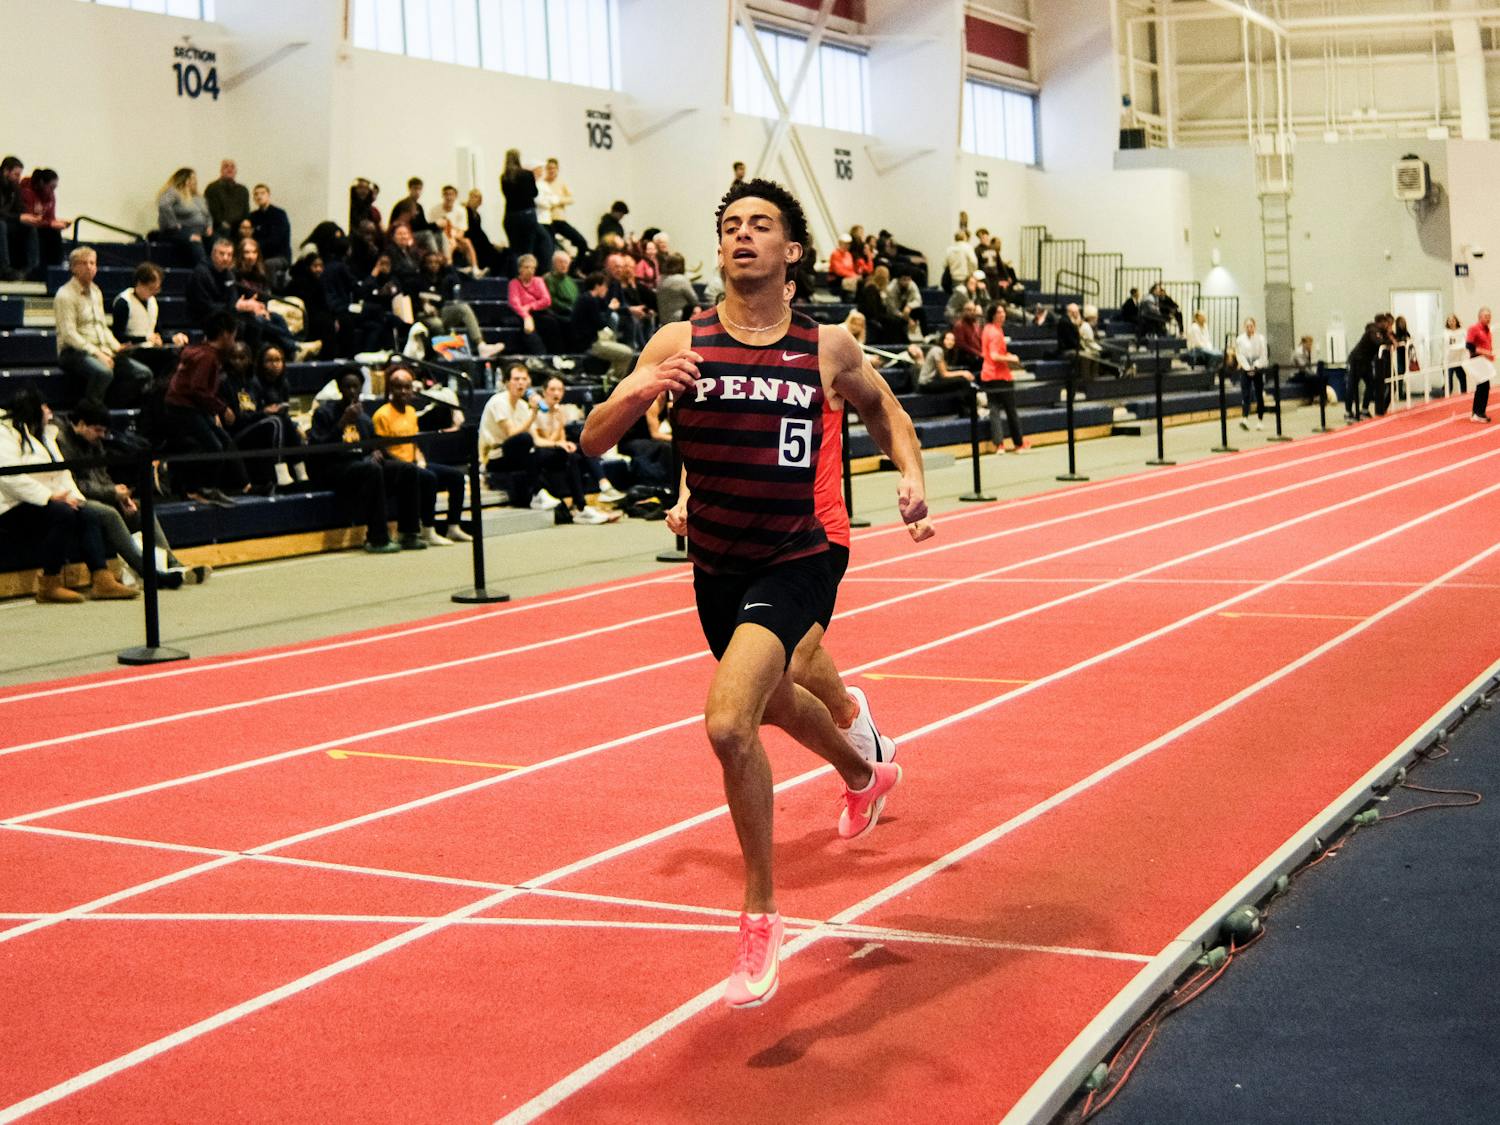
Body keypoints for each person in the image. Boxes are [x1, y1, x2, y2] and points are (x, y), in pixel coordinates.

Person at [579, 177, 934, 1009]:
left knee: (729, 719)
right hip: (717, 564)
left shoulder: (827, 344)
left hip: (798, 553)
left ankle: (761, 916)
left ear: (792, 252)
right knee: (774, 701)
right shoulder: (678, 334)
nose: (743, 235)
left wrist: (910, 477)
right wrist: (638, 389)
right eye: (731, 225)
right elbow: (594, 440)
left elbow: (882, 411)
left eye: (761, 225)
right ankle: (865, 772)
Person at [0, 390, 138, 603]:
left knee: (87, 512)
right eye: (44, 407)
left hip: (46, 500)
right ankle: (49, 584)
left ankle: (101, 579)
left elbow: (63, 472)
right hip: (12, 505)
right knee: (63, 513)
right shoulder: (5, 433)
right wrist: (50, 497)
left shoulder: (47, 434)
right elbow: (9, 478)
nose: (49, 411)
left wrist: (75, 498)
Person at [56, 400, 209, 589]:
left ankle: (172, 563)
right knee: (109, 514)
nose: (102, 436)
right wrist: (112, 493)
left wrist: (121, 497)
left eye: (104, 431)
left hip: (99, 495)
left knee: (141, 507)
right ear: (79, 424)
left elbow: (102, 475)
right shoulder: (62, 442)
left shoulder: (93, 442)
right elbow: (74, 483)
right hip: (74, 498)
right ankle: (149, 572)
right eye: (97, 430)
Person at [308, 371, 425, 551]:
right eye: (348, 386)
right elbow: (318, 448)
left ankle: (408, 533)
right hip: (333, 467)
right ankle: (377, 538)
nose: (352, 391)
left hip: (360, 464)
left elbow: (374, 445)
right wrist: (343, 422)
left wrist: (375, 451)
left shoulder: (364, 417)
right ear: (340, 388)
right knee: (371, 469)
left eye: (356, 386)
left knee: (407, 469)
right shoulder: (324, 413)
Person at [373, 367, 470, 544]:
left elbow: (414, 442)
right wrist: (408, 465)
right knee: (429, 478)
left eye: (407, 387)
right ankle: (428, 529)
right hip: (397, 468)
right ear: (391, 389)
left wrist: (420, 459)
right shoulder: (382, 415)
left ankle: (453, 526)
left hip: (414, 462)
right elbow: (382, 449)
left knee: (456, 477)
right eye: (398, 387)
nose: (403, 391)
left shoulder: (411, 412)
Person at [54, 246, 153, 408]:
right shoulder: (65, 295)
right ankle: (91, 415)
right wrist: (98, 353)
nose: (89, 267)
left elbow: (101, 327)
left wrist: (116, 346)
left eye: (93, 263)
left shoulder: (96, 291)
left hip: (100, 348)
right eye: (84, 263)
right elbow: (69, 335)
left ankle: (110, 408)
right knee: (103, 372)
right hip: (73, 352)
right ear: (73, 268)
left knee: (143, 374)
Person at [163, 310, 245, 506]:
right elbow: (197, 389)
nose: (234, 339)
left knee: (223, 440)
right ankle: (197, 490)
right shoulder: (207, 357)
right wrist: (221, 409)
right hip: (183, 408)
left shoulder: (198, 350)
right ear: (225, 334)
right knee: (214, 447)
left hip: (186, 407)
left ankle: (211, 488)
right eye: (233, 335)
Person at [530, 375, 618, 525]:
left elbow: (560, 437)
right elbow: (538, 441)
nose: (556, 393)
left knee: (582, 450)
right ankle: (582, 506)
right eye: (552, 389)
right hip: (540, 452)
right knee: (572, 454)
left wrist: (560, 427)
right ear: (544, 392)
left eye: (560, 389)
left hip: (556, 450)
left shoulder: (558, 411)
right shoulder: (535, 411)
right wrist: (559, 443)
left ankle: (604, 486)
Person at [478, 364, 554, 509]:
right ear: (506, 382)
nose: (520, 383)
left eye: (524, 379)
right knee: (524, 440)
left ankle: (577, 506)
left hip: (516, 454)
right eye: (516, 379)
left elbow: (535, 439)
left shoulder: (523, 405)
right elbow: (512, 434)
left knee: (559, 454)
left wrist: (559, 445)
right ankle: (538, 493)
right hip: (494, 456)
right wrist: (533, 413)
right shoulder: (498, 401)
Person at [406, 250, 505, 359]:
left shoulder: (442, 279)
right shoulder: (416, 280)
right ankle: (446, 354)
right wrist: (424, 307)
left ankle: (481, 346)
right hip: (422, 316)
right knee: (437, 324)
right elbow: (411, 303)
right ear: (424, 264)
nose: (433, 265)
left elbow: (442, 299)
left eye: (436, 262)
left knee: (462, 307)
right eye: (430, 262)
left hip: (439, 312)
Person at [571, 271, 634, 384]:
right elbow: (601, 323)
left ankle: (611, 378)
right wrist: (610, 308)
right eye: (604, 286)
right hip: (589, 343)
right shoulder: (589, 300)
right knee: (627, 353)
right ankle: (614, 382)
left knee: (613, 338)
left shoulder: (589, 298)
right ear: (597, 286)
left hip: (590, 339)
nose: (606, 289)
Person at [981, 302, 1027, 453]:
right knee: (1010, 410)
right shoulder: (994, 332)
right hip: (1000, 376)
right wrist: (1012, 358)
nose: (1003, 315)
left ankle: (999, 444)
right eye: (1000, 312)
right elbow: (994, 355)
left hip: (988, 375)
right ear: (993, 314)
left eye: (1004, 312)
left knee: (994, 410)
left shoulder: (987, 329)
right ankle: (1018, 443)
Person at [501, 150, 551, 268]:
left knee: (515, 249)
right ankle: (535, 273)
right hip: (526, 214)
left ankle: (515, 277)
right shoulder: (526, 174)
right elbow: (534, 193)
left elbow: (505, 194)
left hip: (510, 215)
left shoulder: (504, 177)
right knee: (531, 246)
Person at [508, 253, 565, 355]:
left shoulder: (538, 281)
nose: (530, 270)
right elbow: (514, 303)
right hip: (522, 315)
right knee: (527, 328)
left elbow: (547, 300)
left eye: (533, 268)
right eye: (527, 267)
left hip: (538, 312)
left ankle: (556, 354)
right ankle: (540, 354)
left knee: (552, 322)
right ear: (520, 269)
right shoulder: (514, 283)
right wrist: (526, 316)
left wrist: (530, 306)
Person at [537, 157, 590, 262]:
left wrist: (558, 200)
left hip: (559, 219)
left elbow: (571, 199)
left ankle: (576, 267)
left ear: (557, 169)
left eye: (554, 168)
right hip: (547, 221)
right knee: (549, 247)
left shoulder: (561, 183)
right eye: (549, 168)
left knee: (581, 242)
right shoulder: (542, 184)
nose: (551, 171)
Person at [19, 168, 68, 272]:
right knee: (40, 233)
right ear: (41, 183)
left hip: (42, 226)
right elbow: (30, 218)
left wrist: (55, 222)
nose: (52, 191)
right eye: (51, 187)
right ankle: (36, 270)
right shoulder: (26, 192)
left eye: (55, 188)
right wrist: (50, 223)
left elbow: (50, 217)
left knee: (55, 233)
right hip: (26, 226)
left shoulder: (50, 196)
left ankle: (55, 269)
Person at [429, 184, 480, 273]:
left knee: (467, 242)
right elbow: (432, 228)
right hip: (440, 237)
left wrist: (453, 238)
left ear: (455, 196)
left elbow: (462, 230)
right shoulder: (435, 210)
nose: (449, 197)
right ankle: (450, 269)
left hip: (456, 237)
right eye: (446, 194)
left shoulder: (461, 210)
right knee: (450, 245)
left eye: (451, 194)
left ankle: (475, 268)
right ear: (443, 196)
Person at [1, 155, 35, 280]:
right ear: (5, 171)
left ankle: (31, 269)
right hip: (2, 223)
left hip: (7, 222)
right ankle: (4, 268)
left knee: (29, 227)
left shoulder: (14, 188)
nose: (18, 178)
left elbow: (20, 208)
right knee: (1, 225)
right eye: (16, 174)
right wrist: (19, 218)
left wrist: (30, 216)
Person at [1235, 316, 1269, 430]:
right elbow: (1239, 355)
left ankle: (1260, 420)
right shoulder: (1240, 339)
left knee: (1259, 394)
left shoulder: (1260, 338)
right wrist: (1246, 367)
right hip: (1245, 368)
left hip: (1257, 368)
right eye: (1247, 326)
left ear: (1254, 326)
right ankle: (1245, 418)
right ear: (1244, 327)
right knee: (1246, 394)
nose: (1249, 328)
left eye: (1251, 326)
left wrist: (1255, 366)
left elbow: (1263, 355)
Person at [249, 183, 293, 266]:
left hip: (280, 255)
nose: (259, 196)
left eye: (262, 193)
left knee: (268, 264)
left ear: (268, 195)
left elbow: (276, 239)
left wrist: (256, 246)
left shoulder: (279, 214)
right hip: (259, 255)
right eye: (256, 194)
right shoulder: (253, 216)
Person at [463, 189, 505, 275]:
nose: (476, 200)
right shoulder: (466, 211)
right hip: (470, 238)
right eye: (474, 197)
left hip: (478, 239)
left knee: (500, 252)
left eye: (478, 198)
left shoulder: (477, 215)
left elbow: (479, 231)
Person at [205, 159, 250, 238]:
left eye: (232, 167)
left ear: (236, 171)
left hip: (238, 227)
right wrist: (223, 224)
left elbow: (246, 211)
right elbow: (213, 212)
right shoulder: (212, 188)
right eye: (226, 167)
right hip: (220, 227)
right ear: (221, 170)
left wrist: (244, 225)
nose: (229, 169)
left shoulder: (242, 189)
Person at [1465, 307, 1493, 423]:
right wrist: (1484, 352)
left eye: (1489, 316)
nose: (1488, 319)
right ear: (1480, 317)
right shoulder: (1474, 329)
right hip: (1477, 359)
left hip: (1484, 360)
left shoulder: (1487, 330)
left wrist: (1489, 354)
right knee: (1483, 386)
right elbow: (1469, 345)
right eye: (1486, 316)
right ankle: (1478, 412)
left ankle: (1479, 412)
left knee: (1484, 386)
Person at [655, 253, 699, 325]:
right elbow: (694, 300)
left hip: (663, 320)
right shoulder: (681, 279)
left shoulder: (660, 279)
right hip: (679, 319)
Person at [543, 250, 579, 320]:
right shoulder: (549, 279)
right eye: (560, 262)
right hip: (558, 314)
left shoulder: (570, 280)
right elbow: (551, 300)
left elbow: (577, 297)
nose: (563, 265)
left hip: (573, 312)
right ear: (554, 264)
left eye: (566, 262)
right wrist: (567, 307)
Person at [1444, 313, 1468, 396]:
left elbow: (1465, 343)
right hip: (1449, 361)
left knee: (1462, 377)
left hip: (1458, 360)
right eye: (1449, 321)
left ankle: (1464, 395)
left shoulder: (1462, 331)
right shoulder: (1446, 332)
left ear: (1456, 321)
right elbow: (1448, 345)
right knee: (1449, 382)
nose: (1451, 322)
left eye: (1453, 320)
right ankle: (1446, 398)